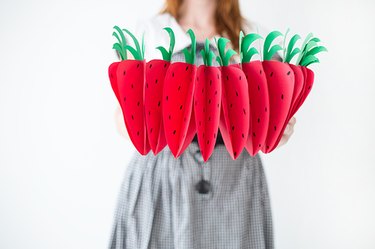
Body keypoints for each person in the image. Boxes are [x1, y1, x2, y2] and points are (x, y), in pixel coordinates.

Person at [108, 0, 296, 248]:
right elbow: (121, 118)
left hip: (236, 184)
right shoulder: (147, 32)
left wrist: (280, 129)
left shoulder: (257, 38)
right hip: (162, 184)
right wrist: (132, 122)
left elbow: (275, 112)